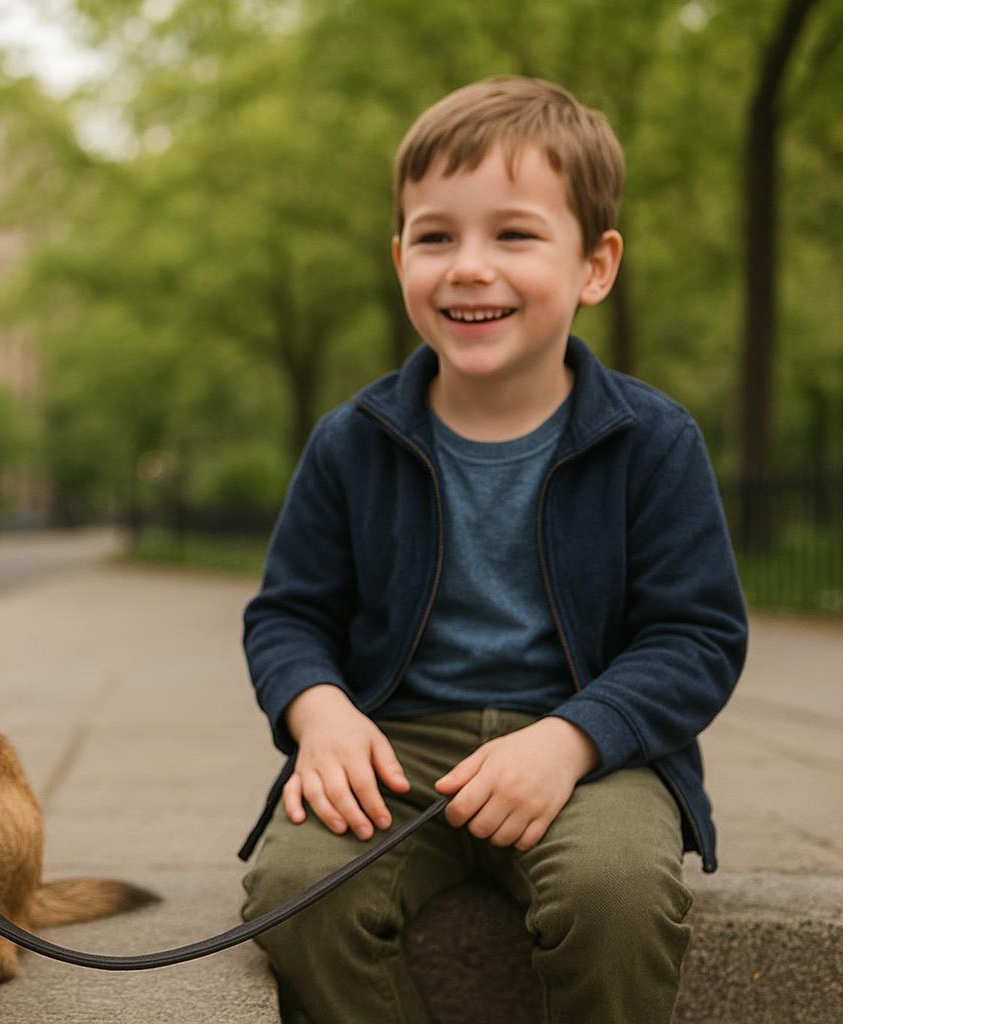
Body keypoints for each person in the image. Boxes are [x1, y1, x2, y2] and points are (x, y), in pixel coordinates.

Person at [237, 75, 748, 1024]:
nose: (469, 266)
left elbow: (698, 636)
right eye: (436, 236)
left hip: (589, 746)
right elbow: (290, 615)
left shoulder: (653, 440)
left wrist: (573, 737)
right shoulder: (354, 440)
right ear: (399, 259)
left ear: (596, 266)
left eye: (514, 234)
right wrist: (320, 714)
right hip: (394, 743)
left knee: (614, 896)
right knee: (293, 893)